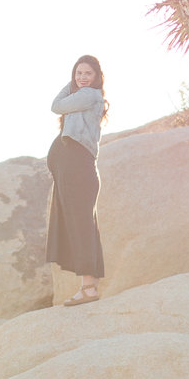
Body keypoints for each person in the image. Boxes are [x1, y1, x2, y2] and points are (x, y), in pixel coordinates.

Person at [47, 54, 108, 306]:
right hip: (70, 169)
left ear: (96, 77)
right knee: (78, 225)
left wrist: (72, 85)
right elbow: (59, 104)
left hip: (78, 169)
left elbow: (56, 105)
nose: (82, 77)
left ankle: (89, 289)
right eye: (78, 73)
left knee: (81, 226)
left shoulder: (90, 96)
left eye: (88, 74)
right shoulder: (81, 96)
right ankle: (87, 287)